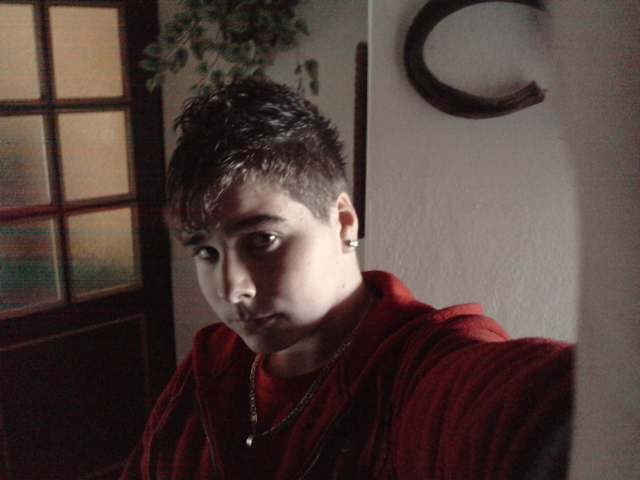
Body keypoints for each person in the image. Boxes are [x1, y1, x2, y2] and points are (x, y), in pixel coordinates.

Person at [120, 79, 573, 479]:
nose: (231, 288)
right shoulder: (205, 371)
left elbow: (532, 409)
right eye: (206, 252)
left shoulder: (418, 372)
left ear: (342, 222)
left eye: (261, 240)